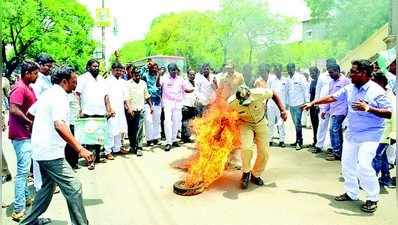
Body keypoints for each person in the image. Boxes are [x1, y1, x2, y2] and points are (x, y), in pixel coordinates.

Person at [302, 59, 392, 213]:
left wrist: (368, 108)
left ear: (364, 73)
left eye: (354, 71)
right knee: (347, 165)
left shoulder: (376, 91)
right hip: (352, 133)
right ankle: (352, 193)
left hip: (370, 135)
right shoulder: (350, 88)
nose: (350, 74)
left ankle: (372, 198)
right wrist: (313, 103)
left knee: (364, 165)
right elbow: (332, 97)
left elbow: (389, 112)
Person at [20, 66, 94, 225]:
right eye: (74, 82)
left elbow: (30, 114)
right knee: (74, 187)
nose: (76, 85)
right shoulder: (59, 97)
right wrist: (80, 149)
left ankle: (28, 222)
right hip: (50, 153)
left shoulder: (48, 93)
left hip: (42, 150)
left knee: (46, 191)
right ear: (64, 81)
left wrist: (38, 133)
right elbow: (59, 125)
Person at [228, 86, 287, 189]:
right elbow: (226, 116)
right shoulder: (231, 103)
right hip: (245, 124)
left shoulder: (259, 93)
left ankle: (256, 175)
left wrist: (282, 110)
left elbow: (274, 93)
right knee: (246, 148)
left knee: (264, 152)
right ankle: (246, 173)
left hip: (261, 123)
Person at [8, 60, 38, 221]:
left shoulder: (29, 88)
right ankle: (18, 209)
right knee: (22, 173)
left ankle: (25, 199)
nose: (37, 76)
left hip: (26, 135)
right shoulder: (20, 87)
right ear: (27, 73)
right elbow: (13, 109)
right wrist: (29, 122)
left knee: (25, 171)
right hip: (21, 136)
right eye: (35, 73)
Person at [76, 59, 112, 170]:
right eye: (94, 66)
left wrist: (109, 109)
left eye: (97, 66)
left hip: (100, 113)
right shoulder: (82, 78)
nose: (96, 68)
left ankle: (95, 158)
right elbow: (77, 94)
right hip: (88, 113)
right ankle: (90, 161)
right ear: (88, 67)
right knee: (90, 139)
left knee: (98, 138)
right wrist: (79, 109)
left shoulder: (101, 79)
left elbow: (106, 96)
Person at [156, 63, 193, 151]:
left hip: (178, 104)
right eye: (172, 70)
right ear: (169, 71)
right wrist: (158, 75)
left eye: (175, 70)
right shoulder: (164, 78)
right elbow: (158, 85)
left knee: (177, 122)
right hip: (168, 104)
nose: (174, 72)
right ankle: (168, 142)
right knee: (167, 122)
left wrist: (193, 89)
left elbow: (186, 89)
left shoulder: (180, 79)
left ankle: (174, 139)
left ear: (177, 70)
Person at [371, 72, 396, 188]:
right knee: (382, 155)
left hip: (386, 131)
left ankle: (371, 179)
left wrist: (393, 134)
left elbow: (394, 116)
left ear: (380, 82)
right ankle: (386, 178)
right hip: (381, 130)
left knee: (376, 155)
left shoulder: (389, 96)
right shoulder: (381, 93)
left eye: (373, 81)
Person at [323, 64, 350, 161]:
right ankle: (339, 151)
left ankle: (336, 152)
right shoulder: (331, 83)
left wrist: (348, 111)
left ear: (337, 71)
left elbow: (349, 97)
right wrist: (325, 110)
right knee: (337, 131)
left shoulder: (346, 81)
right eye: (329, 72)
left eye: (331, 72)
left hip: (341, 110)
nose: (330, 74)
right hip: (333, 110)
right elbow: (329, 98)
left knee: (333, 130)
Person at [125, 66, 153, 156]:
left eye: (139, 75)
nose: (138, 76)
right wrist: (129, 109)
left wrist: (151, 106)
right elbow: (126, 98)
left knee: (140, 129)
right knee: (131, 129)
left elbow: (147, 95)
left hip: (140, 110)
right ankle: (133, 145)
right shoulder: (128, 84)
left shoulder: (143, 83)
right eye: (136, 75)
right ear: (132, 74)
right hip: (130, 111)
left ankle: (139, 147)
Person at [103, 62, 128, 160]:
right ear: (112, 70)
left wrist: (128, 107)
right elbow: (106, 96)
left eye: (120, 70)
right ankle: (107, 151)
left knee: (119, 129)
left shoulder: (122, 82)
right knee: (110, 130)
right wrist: (109, 109)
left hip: (120, 109)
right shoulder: (107, 81)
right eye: (117, 70)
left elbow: (125, 97)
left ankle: (117, 148)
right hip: (111, 109)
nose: (119, 72)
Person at [313, 59, 336, 153]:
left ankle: (331, 146)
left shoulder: (339, 75)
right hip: (323, 104)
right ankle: (319, 145)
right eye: (327, 64)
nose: (329, 66)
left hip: (335, 104)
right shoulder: (322, 76)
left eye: (331, 64)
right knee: (322, 125)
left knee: (332, 126)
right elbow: (317, 91)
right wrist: (316, 103)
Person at [286, 63, 308, 150]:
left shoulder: (300, 77)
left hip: (299, 104)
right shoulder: (288, 79)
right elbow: (287, 92)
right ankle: (298, 140)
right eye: (288, 69)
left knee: (298, 123)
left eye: (290, 68)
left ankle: (299, 142)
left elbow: (305, 89)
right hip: (291, 105)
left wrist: (307, 102)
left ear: (294, 68)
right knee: (295, 123)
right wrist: (287, 103)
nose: (289, 70)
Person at [267, 64, 288, 147]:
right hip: (271, 105)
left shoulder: (285, 80)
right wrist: (266, 104)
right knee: (271, 123)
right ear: (274, 71)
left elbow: (287, 93)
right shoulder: (270, 79)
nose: (277, 71)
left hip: (281, 106)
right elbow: (267, 92)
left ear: (281, 70)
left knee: (281, 123)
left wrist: (285, 106)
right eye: (276, 70)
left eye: (279, 70)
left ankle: (282, 140)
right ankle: (270, 139)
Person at [142, 62, 162, 146]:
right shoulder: (145, 75)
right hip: (148, 101)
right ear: (149, 68)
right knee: (148, 121)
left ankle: (156, 138)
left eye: (156, 68)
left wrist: (158, 75)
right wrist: (145, 66)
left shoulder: (159, 77)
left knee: (156, 121)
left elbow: (160, 86)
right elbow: (140, 73)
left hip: (157, 100)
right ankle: (149, 139)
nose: (154, 69)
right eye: (153, 67)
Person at [181, 69, 199, 143]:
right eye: (191, 74)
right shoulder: (185, 82)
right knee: (185, 122)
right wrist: (195, 89)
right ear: (188, 75)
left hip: (193, 105)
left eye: (193, 74)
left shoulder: (196, 82)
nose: (192, 76)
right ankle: (184, 137)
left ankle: (187, 136)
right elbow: (187, 90)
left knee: (190, 122)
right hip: (186, 105)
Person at [308, 66, 320, 150]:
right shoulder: (312, 82)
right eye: (310, 73)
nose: (312, 74)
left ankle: (318, 142)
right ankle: (315, 141)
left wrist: (318, 105)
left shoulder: (320, 82)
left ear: (317, 72)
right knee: (314, 124)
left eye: (313, 73)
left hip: (318, 105)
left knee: (319, 125)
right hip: (312, 105)